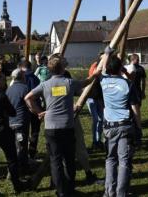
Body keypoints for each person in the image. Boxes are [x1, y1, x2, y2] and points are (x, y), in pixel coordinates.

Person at [24, 54, 99, 197]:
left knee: (55, 161)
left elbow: (28, 98)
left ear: (50, 70)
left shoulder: (45, 84)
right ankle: (69, 190)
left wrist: (39, 112)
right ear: (63, 68)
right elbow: (87, 82)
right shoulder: (69, 83)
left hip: (51, 128)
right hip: (67, 126)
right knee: (69, 160)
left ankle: (61, 192)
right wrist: (95, 74)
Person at [99, 50, 141, 197]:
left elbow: (103, 67)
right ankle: (121, 193)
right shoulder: (128, 84)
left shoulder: (102, 81)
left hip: (109, 126)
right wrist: (139, 127)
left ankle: (109, 192)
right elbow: (135, 109)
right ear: (120, 68)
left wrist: (107, 52)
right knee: (124, 161)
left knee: (110, 159)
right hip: (125, 126)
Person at [0, 71, 27, 196]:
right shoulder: (2, 96)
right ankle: (17, 185)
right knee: (12, 159)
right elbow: (12, 112)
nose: (5, 83)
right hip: (2, 130)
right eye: (3, 80)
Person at [7, 69, 33, 170]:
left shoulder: (9, 89)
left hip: (10, 121)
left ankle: (16, 166)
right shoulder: (25, 88)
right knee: (21, 145)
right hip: (21, 122)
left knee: (14, 145)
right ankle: (20, 168)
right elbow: (30, 104)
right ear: (22, 77)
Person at [18, 58, 41, 159]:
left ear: (20, 67)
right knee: (35, 131)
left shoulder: (20, 78)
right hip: (35, 106)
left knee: (23, 132)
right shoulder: (35, 78)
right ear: (30, 67)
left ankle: (22, 152)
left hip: (23, 108)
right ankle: (32, 152)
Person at [86, 53, 105, 150]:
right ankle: (94, 141)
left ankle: (99, 140)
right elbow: (93, 75)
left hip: (100, 98)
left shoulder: (105, 68)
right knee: (96, 119)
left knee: (101, 120)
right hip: (91, 98)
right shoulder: (95, 66)